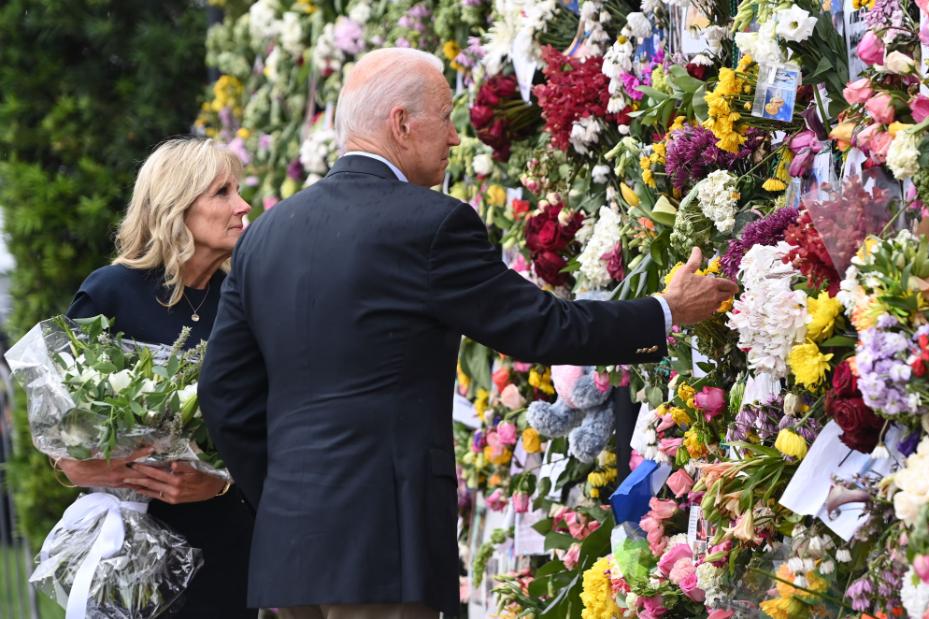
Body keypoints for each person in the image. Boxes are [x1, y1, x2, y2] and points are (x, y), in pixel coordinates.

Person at [198, 48, 736, 619]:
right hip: (386, 549)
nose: (456, 139)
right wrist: (665, 312)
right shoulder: (428, 223)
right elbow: (538, 328)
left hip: (289, 558)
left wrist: (285, 497)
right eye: (446, 117)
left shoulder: (264, 237)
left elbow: (224, 395)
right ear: (402, 123)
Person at [59, 137, 255, 618]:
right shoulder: (110, 292)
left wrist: (222, 483)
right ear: (177, 207)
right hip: (124, 546)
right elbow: (62, 421)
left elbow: (270, 426)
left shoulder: (248, 300)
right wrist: (74, 464)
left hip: (224, 549)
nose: (243, 206)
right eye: (222, 193)